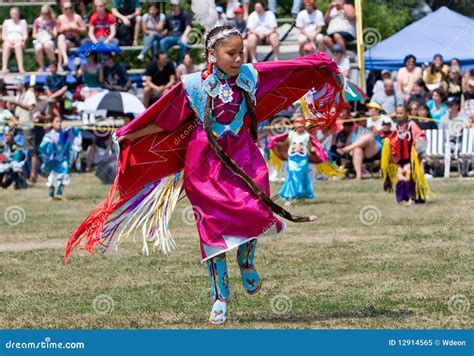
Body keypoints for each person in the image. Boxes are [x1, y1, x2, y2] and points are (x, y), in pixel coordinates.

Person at [65, 15, 344, 327]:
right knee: (213, 233)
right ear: (213, 55)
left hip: (245, 159)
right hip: (205, 165)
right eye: (232, 54)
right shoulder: (194, 86)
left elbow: (285, 73)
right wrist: (132, 133)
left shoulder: (249, 76)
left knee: (254, 208)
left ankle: (247, 261)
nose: (239, 59)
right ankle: (220, 296)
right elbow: (165, 119)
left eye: (242, 53)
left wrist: (320, 66)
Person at [381, 105, 430, 205]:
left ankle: (413, 197)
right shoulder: (396, 126)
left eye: (401, 113)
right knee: (401, 177)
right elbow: (392, 138)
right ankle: (403, 197)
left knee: (409, 177)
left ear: (407, 114)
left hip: (410, 157)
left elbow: (420, 135)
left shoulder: (411, 124)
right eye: (397, 113)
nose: (399, 115)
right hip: (400, 158)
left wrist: (419, 150)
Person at [337, 102, 383, 180]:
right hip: (359, 154)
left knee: (369, 136)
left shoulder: (372, 127)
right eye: (361, 119)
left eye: (364, 119)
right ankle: (359, 176)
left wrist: (348, 148)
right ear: (357, 121)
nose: (363, 121)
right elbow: (347, 145)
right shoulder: (353, 133)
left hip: (373, 150)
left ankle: (350, 148)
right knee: (357, 149)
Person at [39, 116, 80, 200]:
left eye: (60, 121)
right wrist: (50, 144)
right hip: (53, 159)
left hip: (63, 158)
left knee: (65, 173)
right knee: (53, 175)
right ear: (52, 123)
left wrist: (72, 129)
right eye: (57, 121)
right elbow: (42, 147)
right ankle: (51, 195)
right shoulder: (49, 135)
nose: (59, 123)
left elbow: (75, 133)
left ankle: (59, 194)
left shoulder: (65, 133)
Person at [277, 118, 315, 203]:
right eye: (297, 122)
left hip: (303, 159)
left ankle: (301, 196)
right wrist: (275, 143)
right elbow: (284, 143)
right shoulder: (291, 134)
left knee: (302, 176)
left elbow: (310, 147)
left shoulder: (307, 135)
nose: (299, 124)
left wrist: (316, 149)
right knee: (292, 175)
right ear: (294, 124)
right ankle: (290, 197)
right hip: (292, 159)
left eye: (301, 122)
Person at [57, 2, 87, 72]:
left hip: (75, 39)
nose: (69, 10)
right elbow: (57, 31)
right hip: (65, 38)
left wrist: (76, 28)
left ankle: (60, 64)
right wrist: (63, 29)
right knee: (60, 38)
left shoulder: (77, 17)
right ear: (63, 9)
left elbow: (84, 30)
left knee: (60, 44)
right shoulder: (60, 18)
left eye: (70, 8)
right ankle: (65, 59)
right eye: (66, 9)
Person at [1, 7, 28, 74]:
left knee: (18, 45)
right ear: (10, 14)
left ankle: (21, 68)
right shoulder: (6, 22)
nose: (14, 15)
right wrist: (7, 40)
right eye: (12, 14)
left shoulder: (23, 22)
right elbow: (3, 35)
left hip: (19, 40)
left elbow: (25, 35)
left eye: (15, 14)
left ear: (18, 14)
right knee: (6, 45)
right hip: (8, 40)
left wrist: (23, 40)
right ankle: (4, 68)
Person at [33, 5, 58, 71]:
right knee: (38, 48)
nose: (44, 15)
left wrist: (50, 31)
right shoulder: (37, 21)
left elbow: (55, 35)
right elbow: (34, 34)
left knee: (47, 45)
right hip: (39, 39)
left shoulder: (53, 21)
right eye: (43, 13)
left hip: (49, 39)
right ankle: (42, 67)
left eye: (46, 13)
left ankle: (53, 64)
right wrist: (39, 37)